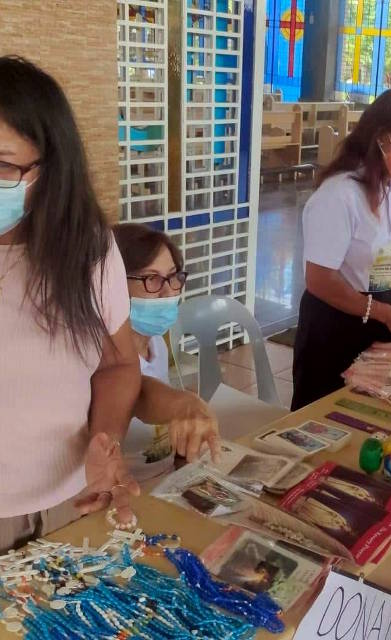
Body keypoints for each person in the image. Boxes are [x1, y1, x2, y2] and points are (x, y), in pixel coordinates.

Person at [0, 56, 141, 552]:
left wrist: (106, 443)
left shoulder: (87, 249)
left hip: (70, 503)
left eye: (2, 165)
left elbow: (118, 364)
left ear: (49, 167)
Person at [291, 88, 391, 410]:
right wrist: (385, 313)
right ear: (383, 139)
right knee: (326, 414)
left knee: (370, 416)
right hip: (334, 326)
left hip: (379, 321)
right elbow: (319, 279)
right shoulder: (339, 195)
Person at [113, 223, 221, 481]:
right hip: (125, 489)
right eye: (152, 279)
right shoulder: (102, 357)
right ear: (111, 285)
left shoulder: (156, 345)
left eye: (174, 276)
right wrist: (184, 403)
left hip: (164, 478)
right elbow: (137, 392)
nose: (169, 291)